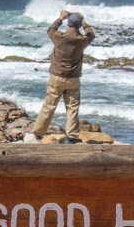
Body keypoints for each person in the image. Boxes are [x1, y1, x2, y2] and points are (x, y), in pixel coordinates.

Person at [30, 9, 95, 141]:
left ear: (68, 24)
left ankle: (38, 132)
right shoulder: (81, 40)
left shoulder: (60, 37)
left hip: (56, 77)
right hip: (73, 79)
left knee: (49, 105)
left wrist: (60, 18)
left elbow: (50, 30)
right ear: (78, 25)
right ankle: (72, 135)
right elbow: (91, 35)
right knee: (72, 108)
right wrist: (84, 23)